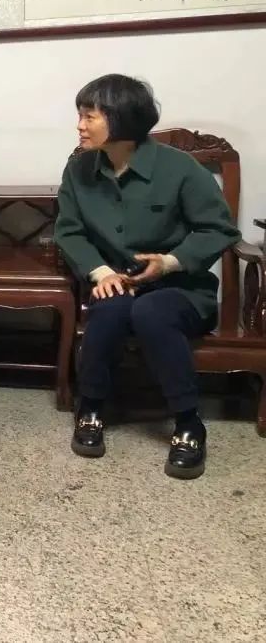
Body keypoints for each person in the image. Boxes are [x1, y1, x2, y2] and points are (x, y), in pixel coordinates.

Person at [55, 74, 240, 480]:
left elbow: (219, 229)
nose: (80, 126)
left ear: (121, 118)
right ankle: (91, 408)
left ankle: (189, 422)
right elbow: (68, 231)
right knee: (110, 309)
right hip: (117, 280)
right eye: (80, 116)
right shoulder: (79, 168)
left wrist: (170, 262)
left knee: (152, 311)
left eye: (89, 116)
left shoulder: (179, 168)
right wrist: (101, 271)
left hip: (180, 288)